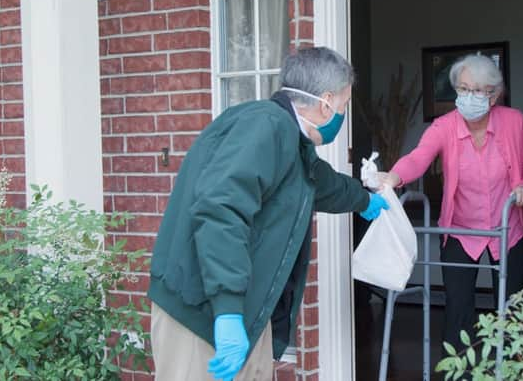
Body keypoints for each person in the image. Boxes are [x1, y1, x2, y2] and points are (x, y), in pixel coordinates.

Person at [148, 46, 389, 381]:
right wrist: (228, 311)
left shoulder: (291, 141)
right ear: (326, 102)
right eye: (344, 106)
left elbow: (322, 183)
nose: (342, 114)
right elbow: (221, 209)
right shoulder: (265, 126)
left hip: (241, 308)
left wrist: (364, 200)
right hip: (202, 311)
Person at [378, 54, 523, 354]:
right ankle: (460, 373)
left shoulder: (513, 122)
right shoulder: (445, 126)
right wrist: (393, 177)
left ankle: (513, 370)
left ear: (493, 95)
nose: (469, 96)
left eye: (477, 90)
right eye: (463, 89)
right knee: (457, 310)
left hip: (507, 229)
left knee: (513, 308)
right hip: (460, 228)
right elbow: (419, 157)